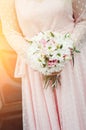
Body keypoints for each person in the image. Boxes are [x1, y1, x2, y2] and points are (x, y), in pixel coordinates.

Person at [0, 0, 86, 130]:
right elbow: (11, 31)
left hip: (71, 65)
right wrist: (34, 56)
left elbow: (83, 20)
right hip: (37, 69)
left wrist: (65, 49)